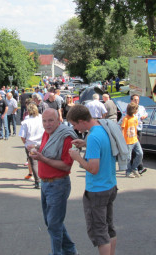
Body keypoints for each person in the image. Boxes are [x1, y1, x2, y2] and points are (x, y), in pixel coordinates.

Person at [67, 104, 118, 255]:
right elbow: (102, 148)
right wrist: (85, 143)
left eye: (75, 124)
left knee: (100, 232)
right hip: (110, 185)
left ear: (82, 121)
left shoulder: (93, 136)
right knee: (109, 228)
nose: (75, 128)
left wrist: (77, 158)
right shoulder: (101, 129)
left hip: (97, 190)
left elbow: (93, 168)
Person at [30, 108, 79, 255]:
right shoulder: (48, 133)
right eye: (44, 121)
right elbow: (46, 148)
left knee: (54, 225)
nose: (47, 124)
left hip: (57, 184)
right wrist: (36, 148)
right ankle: (70, 251)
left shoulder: (66, 137)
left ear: (59, 120)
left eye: (51, 120)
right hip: (45, 184)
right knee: (51, 223)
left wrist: (42, 158)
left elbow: (66, 166)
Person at [19, 103, 44, 189]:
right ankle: (43, 179)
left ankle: (38, 181)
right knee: (42, 161)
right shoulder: (41, 119)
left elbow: (22, 136)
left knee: (34, 163)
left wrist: (25, 143)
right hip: (41, 143)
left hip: (30, 144)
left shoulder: (26, 122)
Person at [121, 102, 143, 178]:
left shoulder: (135, 118)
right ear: (132, 110)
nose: (137, 110)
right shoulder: (126, 118)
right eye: (136, 109)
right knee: (128, 158)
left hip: (135, 140)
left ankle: (134, 168)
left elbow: (135, 128)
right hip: (128, 141)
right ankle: (128, 171)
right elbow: (123, 129)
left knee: (140, 154)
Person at [130, 94, 148, 175]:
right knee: (135, 150)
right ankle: (136, 167)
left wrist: (145, 116)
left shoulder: (141, 108)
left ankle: (137, 167)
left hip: (139, 129)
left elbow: (146, 114)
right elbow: (123, 120)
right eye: (135, 99)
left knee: (138, 149)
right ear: (131, 100)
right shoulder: (129, 108)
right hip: (131, 131)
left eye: (138, 99)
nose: (137, 101)